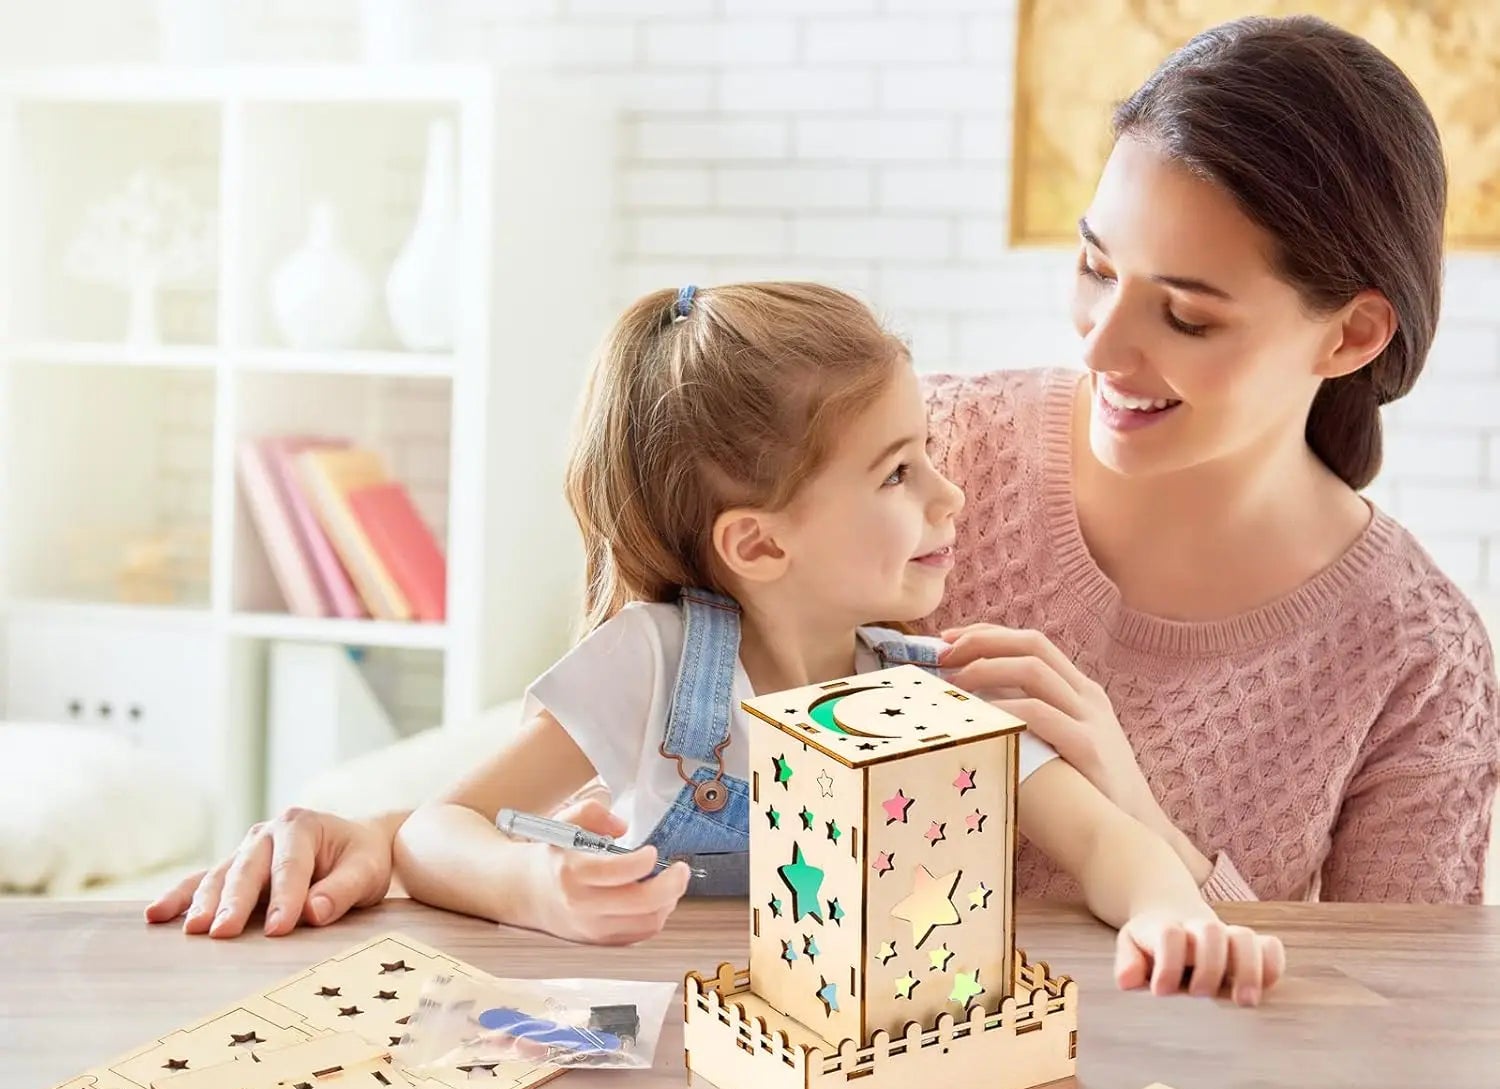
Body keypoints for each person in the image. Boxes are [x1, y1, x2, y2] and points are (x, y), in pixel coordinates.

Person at [149, 14, 1496, 939]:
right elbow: (637, 715)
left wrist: (1145, 835)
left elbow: (1403, 1020)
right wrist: (381, 837)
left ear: (1353, 332)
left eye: (1185, 312)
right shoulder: (923, 449)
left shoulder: (1416, 658)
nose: (1099, 342)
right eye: (1093, 266)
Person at [186, 280, 1287, 1000]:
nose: (952, 499)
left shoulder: (938, 698)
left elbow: (1104, 844)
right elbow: (437, 829)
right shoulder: (654, 665)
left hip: (860, 1084)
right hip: (657, 1073)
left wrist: (1172, 918)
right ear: (758, 545)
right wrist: (537, 890)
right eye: (900, 472)